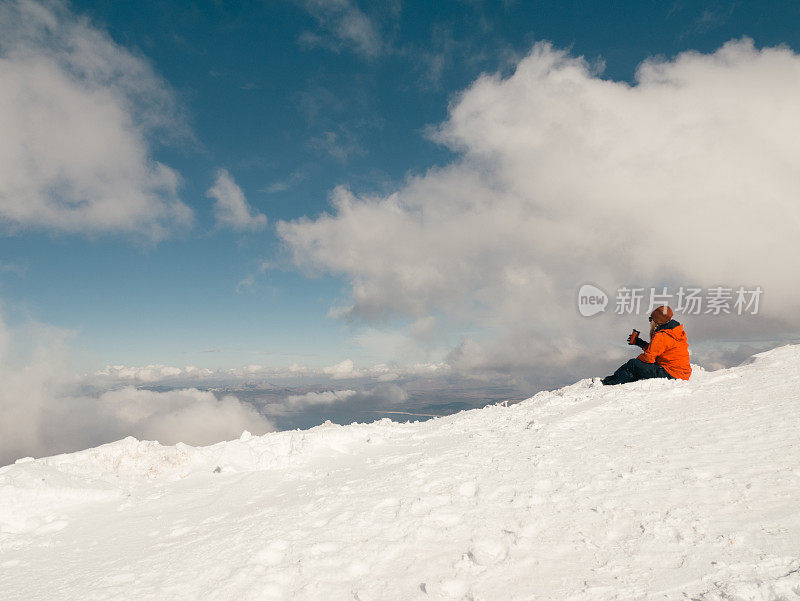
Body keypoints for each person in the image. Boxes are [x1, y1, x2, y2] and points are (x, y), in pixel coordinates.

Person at [601, 305, 691, 385]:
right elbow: (658, 350)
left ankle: (609, 383)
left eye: (650, 319)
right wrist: (640, 343)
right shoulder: (674, 331)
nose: (650, 322)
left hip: (671, 374)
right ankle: (617, 380)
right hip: (682, 373)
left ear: (656, 321)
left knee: (633, 364)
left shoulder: (661, 335)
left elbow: (649, 358)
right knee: (638, 366)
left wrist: (638, 361)